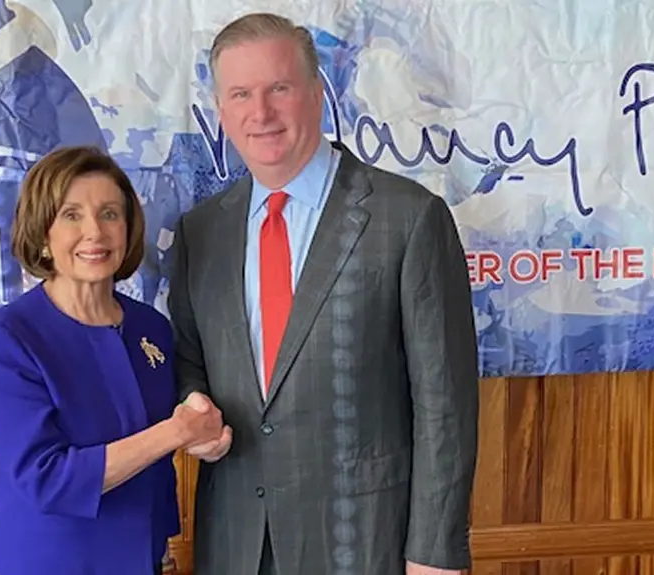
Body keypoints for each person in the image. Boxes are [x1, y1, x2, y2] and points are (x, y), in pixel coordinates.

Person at [168, 12, 479, 575]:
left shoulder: (407, 219)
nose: (259, 113)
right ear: (221, 111)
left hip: (363, 542)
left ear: (316, 93)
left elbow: (446, 404)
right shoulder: (201, 232)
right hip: (237, 543)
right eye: (240, 94)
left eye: (278, 89)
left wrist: (435, 552)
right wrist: (195, 408)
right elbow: (190, 362)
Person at [0, 146, 225, 575]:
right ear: (43, 233)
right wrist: (176, 432)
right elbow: (47, 478)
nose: (95, 232)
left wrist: (204, 435)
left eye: (109, 214)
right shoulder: (7, 338)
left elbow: (160, 458)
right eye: (72, 215)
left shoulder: (151, 328)